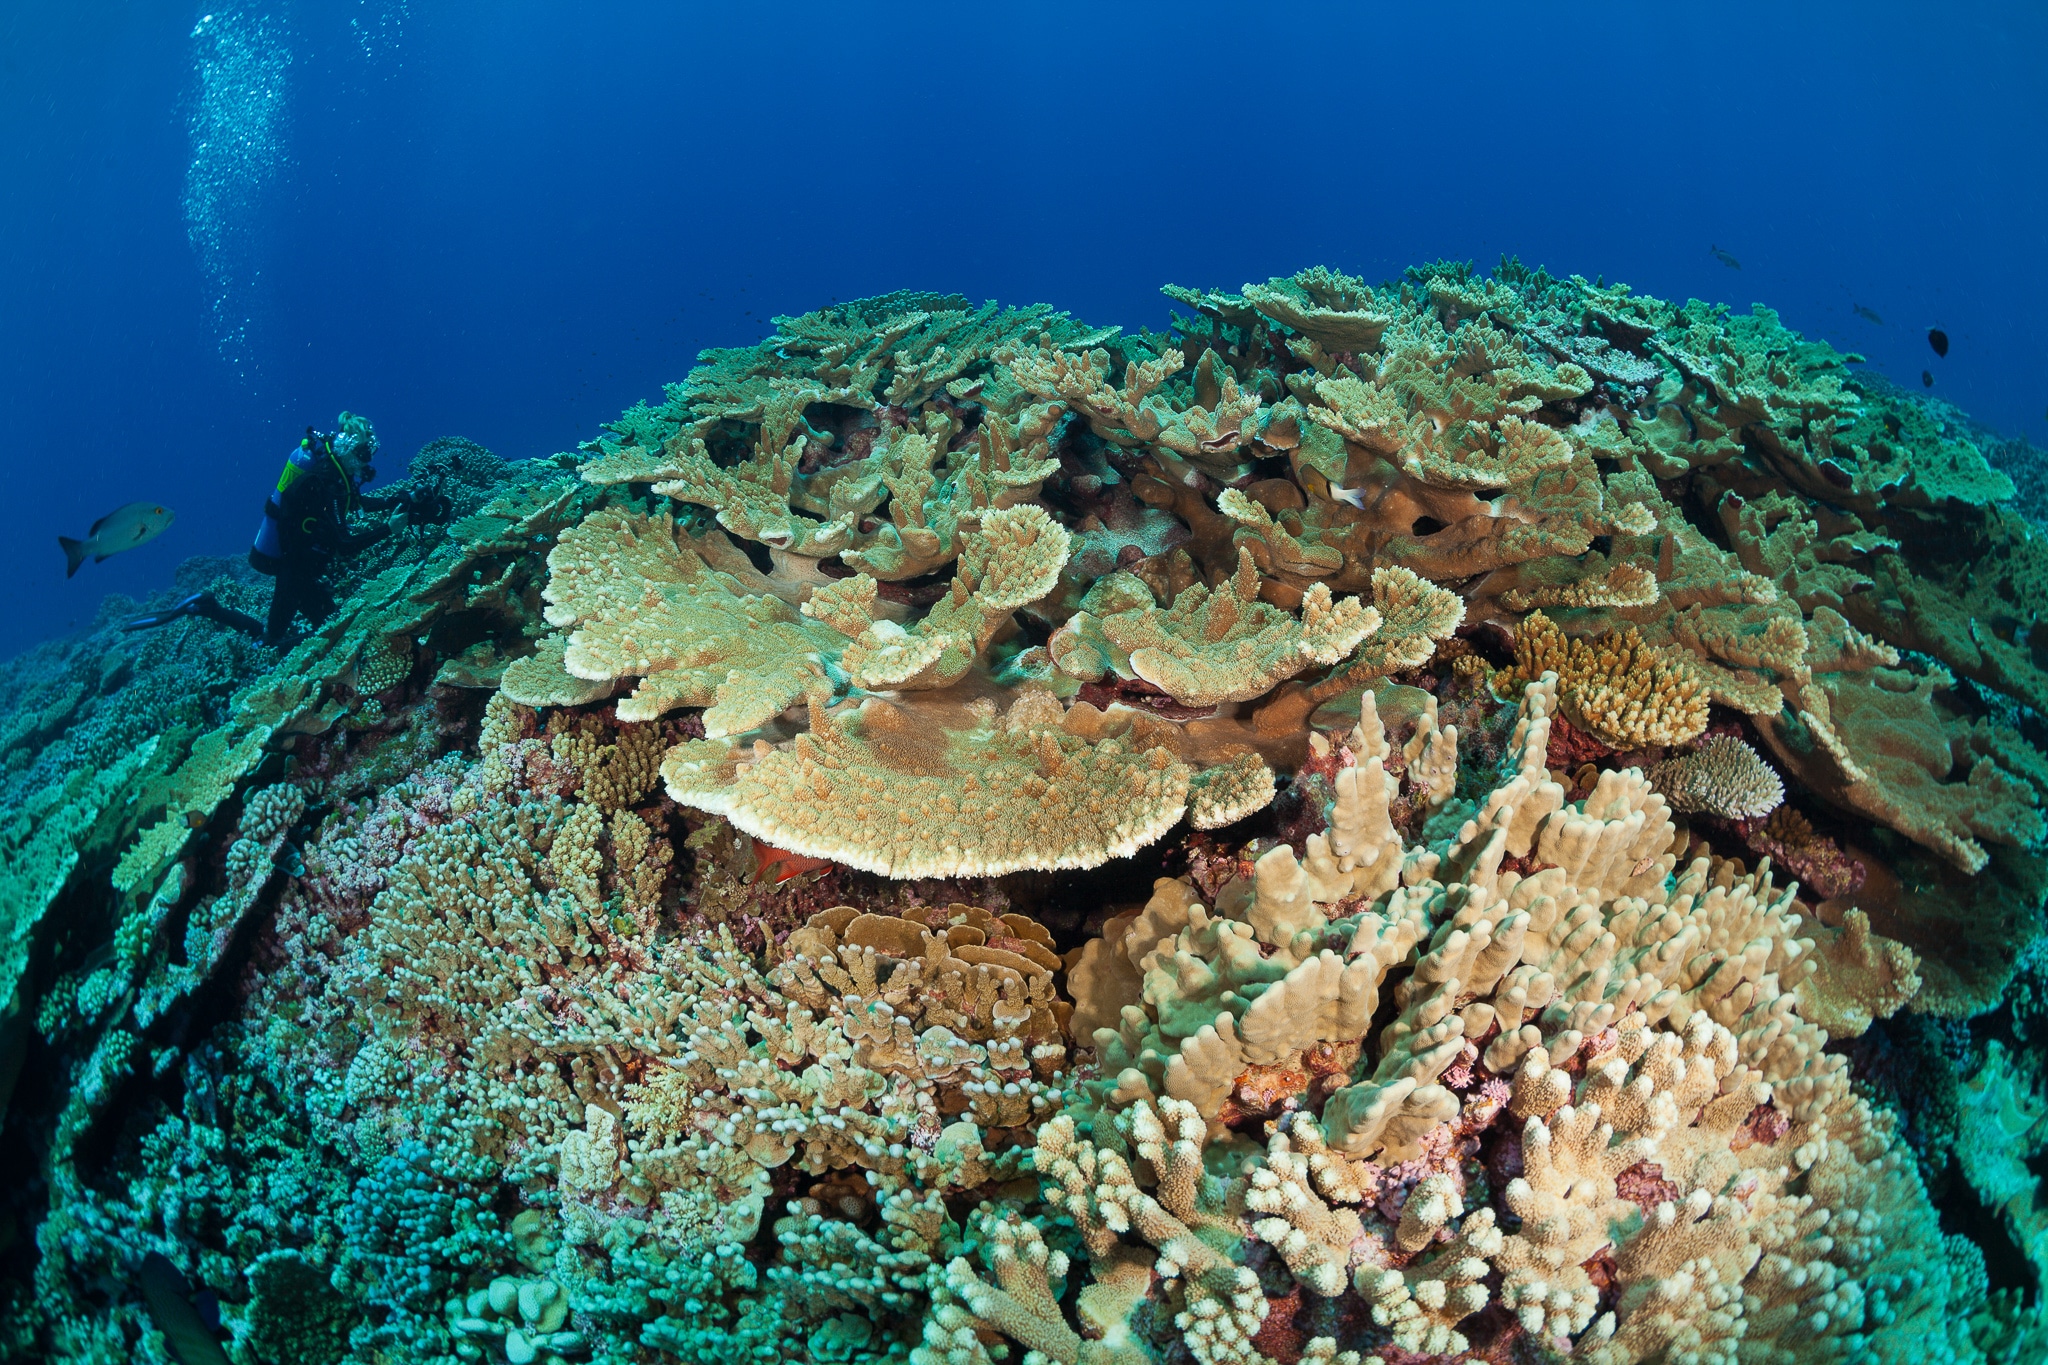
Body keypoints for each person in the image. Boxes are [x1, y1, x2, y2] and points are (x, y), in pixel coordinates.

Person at [248, 412, 410, 645]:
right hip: (293, 573)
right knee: (275, 642)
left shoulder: (338, 475)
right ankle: (208, 607)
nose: (367, 461)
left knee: (331, 627)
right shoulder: (326, 482)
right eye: (364, 453)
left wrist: (396, 500)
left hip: (302, 570)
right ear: (347, 448)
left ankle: (212, 608)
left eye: (370, 453)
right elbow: (345, 545)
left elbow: (356, 502)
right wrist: (389, 529)